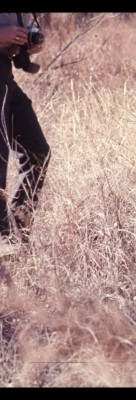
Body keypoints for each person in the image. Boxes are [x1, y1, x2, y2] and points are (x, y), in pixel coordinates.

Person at [0, 13, 50, 256]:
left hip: (4, 71)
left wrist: (26, 40)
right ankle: (3, 239)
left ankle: (17, 231)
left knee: (37, 152)